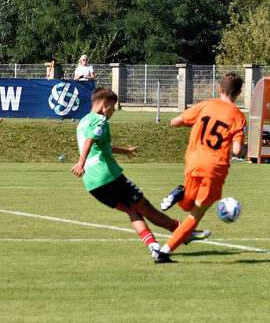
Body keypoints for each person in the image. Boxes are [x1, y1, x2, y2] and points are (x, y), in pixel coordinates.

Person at [70, 86, 208, 261]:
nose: (113, 111)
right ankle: (184, 231)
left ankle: (154, 246)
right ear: (104, 103)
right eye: (113, 107)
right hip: (109, 176)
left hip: (92, 183)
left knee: (132, 210)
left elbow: (100, 146)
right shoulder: (100, 119)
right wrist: (80, 162)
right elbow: (91, 140)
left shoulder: (83, 122)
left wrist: (125, 150)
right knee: (146, 207)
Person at [155, 72, 247, 263]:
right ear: (239, 93)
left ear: (219, 89)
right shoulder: (238, 116)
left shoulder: (206, 105)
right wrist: (247, 148)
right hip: (215, 168)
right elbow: (237, 151)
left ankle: (179, 193)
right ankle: (164, 253)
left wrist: (196, 123)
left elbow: (175, 122)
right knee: (195, 214)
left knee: (188, 203)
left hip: (194, 161)